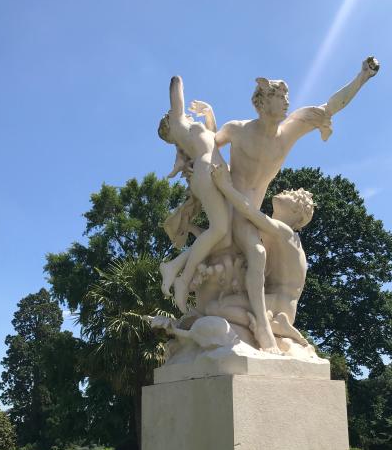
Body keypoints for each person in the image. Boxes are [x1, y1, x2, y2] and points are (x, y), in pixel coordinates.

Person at [189, 57, 379, 351]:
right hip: (232, 205)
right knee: (256, 252)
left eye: (287, 96)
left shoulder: (290, 131)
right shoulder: (238, 129)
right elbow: (211, 147)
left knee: (255, 257)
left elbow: (331, 106)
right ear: (263, 101)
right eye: (280, 96)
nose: (287, 102)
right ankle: (263, 330)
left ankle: (253, 321)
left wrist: (362, 77)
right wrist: (210, 116)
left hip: (252, 210)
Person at [208, 163, 315, 346]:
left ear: (296, 210)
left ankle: (268, 327)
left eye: (290, 194)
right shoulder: (282, 237)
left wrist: (224, 185)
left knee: (215, 307)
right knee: (217, 306)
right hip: (281, 305)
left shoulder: (285, 232)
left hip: (277, 303)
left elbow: (248, 211)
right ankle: (275, 325)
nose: (284, 191)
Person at [157, 76, 231, 313]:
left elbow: (214, 136)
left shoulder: (193, 130)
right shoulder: (179, 126)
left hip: (215, 175)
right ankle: (182, 278)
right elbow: (176, 87)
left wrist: (208, 112)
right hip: (206, 175)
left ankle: (175, 266)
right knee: (220, 228)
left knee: (227, 232)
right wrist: (177, 81)